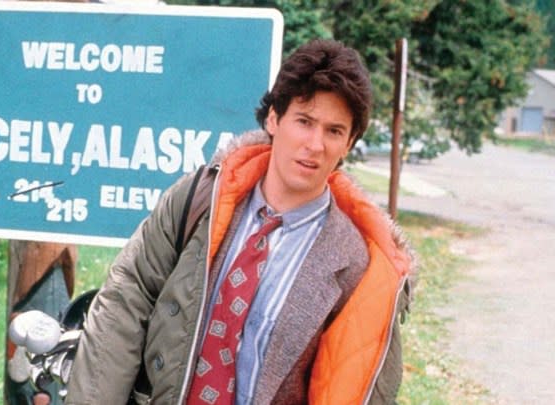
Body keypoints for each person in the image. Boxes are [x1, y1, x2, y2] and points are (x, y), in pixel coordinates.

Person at [65, 39, 414, 405]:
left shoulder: (357, 265)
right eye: (304, 121)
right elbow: (127, 297)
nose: (315, 143)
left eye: (334, 131)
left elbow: (361, 388)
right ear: (274, 119)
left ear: (349, 143)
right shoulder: (201, 200)